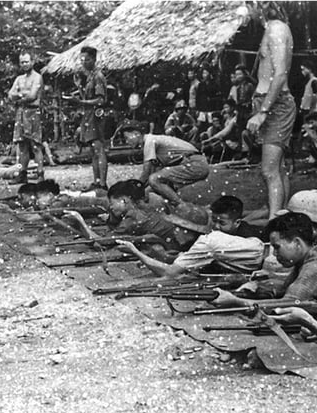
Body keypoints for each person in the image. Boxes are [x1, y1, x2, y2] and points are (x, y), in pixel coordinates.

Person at [211, 211, 317, 307]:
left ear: (297, 243)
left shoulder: (315, 268)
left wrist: (234, 300)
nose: (274, 254)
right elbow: (284, 290)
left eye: (278, 247)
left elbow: (284, 306)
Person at [244, 2, 296, 220]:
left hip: (275, 104)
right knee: (278, 168)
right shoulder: (270, 29)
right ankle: (279, 215)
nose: (246, 10)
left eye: (248, 4)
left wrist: (263, 111)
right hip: (267, 102)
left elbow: (280, 74)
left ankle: (276, 224)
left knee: (269, 170)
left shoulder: (276, 29)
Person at [115, 203, 265, 277]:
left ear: (186, 228)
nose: (174, 229)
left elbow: (169, 273)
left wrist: (135, 252)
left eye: (177, 226)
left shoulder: (207, 242)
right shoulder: (213, 239)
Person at [120, 120, 209, 207]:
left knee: (154, 179)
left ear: (136, 133)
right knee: (156, 182)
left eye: (127, 138)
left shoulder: (149, 141)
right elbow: (153, 173)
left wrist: (132, 190)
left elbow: (146, 173)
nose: (127, 141)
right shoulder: (153, 141)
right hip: (195, 163)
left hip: (194, 164)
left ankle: (181, 206)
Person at [67, 46, 108, 191]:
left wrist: (80, 102)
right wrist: (79, 87)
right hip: (88, 115)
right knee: (93, 150)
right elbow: (86, 98)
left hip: (96, 115)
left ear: (94, 59)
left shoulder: (98, 76)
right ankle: (96, 181)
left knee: (98, 148)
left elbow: (100, 100)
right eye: (82, 59)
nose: (84, 62)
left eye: (88, 59)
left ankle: (103, 184)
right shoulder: (89, 77)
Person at [8, 51, 44, 183]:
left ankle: (40, 174)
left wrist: (19, 95)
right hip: (21, 113)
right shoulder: (19, 79)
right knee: (21, 145)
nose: (24, 64)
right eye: (22, 62)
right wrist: (22, 95)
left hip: (33, 113)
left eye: (26, 61)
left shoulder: (37, 77)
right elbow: (10, 95)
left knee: (35, 145)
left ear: (32, 62)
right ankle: (22, 173)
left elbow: (32, 96)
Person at [194, 66, 221, 133]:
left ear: (209, 74)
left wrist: (211, 99)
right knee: (200, 124)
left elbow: (218, 96)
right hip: (202, 108)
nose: (204, 75)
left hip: (211, 107)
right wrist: (197, 108)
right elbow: (198, 97)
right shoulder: (201, 85)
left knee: (210, 123)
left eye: (206, 73)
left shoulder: (214, 84)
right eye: (203, 73)